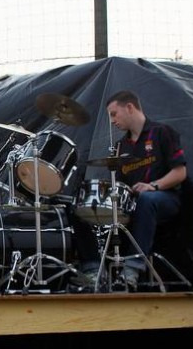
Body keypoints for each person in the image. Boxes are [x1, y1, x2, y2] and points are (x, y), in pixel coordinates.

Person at [75, 90, 186, 291]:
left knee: (146, 199)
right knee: (80, 207)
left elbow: (180, 172)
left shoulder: (161, 132)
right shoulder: (121, 147)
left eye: (113, 114)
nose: (112, 121)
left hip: (165, 198)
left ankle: (132, 269)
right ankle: (92, 268)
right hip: (133, 202)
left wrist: (154, 186)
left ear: (129, 107)